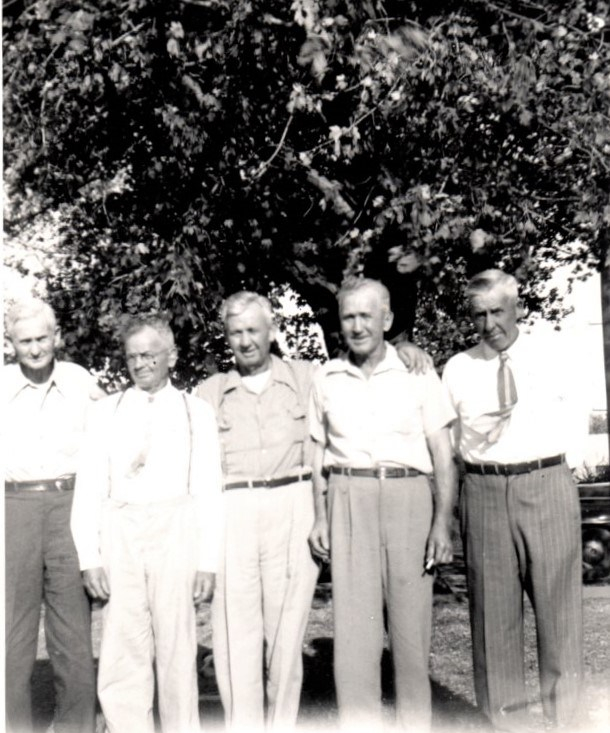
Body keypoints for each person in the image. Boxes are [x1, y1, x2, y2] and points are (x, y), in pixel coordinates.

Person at [308, 277, 457, 732]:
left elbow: (443, 454)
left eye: (366, 316)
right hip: (348, 497)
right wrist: (320, 516)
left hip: (408, 498)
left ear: (387, 319)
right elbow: (317, 454)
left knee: (411, 632)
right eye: (348, 317)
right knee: (355, 632)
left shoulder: (418, 372)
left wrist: (442, 523)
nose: (357, 326)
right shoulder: (326, 378)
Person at [442, 269, 584, 732]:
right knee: (493, 623)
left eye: (497, 311)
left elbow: (577, 411)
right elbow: (449, 439)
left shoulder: (552, 354)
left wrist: (564, 466)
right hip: (483, 491)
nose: (489, 324)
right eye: (479, 315)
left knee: (559, 618)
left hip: (546, 483)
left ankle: (568, 723)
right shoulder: (458, 368)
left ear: (517, 307)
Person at [70, 313, 223, 733]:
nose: (140, 364)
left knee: (177, 647)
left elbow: (209, 490)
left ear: (171, 356)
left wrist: (207, 562)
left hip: (177, 530)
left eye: (149, 355)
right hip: (121, 530)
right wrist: (90, 558)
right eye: (132, 356)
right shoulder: (105, 412)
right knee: (123, 646)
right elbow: (89, 488)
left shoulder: (196, 412)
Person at [3, 297, 101, 733]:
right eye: (25, 341)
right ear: (11, 344)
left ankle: (76, 727)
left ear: (57, 337)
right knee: (11, 634)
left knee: (73, 633)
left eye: (42, 338)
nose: (35, 348)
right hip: (13, 509)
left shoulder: (80, 381)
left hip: (69, 507)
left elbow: (106, 445)